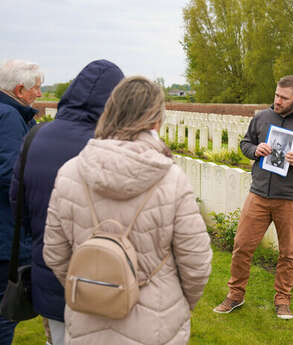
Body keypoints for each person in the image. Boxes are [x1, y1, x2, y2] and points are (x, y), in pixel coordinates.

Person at [43, 76, 212, 345]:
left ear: (110, 112)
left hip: (88, 318)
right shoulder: (172, 179)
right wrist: (176, 302)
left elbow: (54, 253)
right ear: (156, 121)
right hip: (156, 324)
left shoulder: (69, 173)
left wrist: (94, 287)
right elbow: (196, 263)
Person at [9, 60, 124, 345]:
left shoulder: (35, 135)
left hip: (46, 268)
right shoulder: (108, 146)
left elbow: (17, 203)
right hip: (99, 277)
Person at [213, 75, 293, 320]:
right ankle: (235, 295)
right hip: (258, 195)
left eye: (283, 98)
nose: (277, 101)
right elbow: (245, 143)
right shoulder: (262, 117)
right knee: (241, 247)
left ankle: (282, 300)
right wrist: (254, 150)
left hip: (291, 199)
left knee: (288, 253)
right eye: (276, 95)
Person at [0, 59, 43, 345]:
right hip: (6, 234)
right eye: (36, 88)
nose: (39, 94)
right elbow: (11, 172)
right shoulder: (9, 118)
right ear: (20, 89)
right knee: (6, 311)